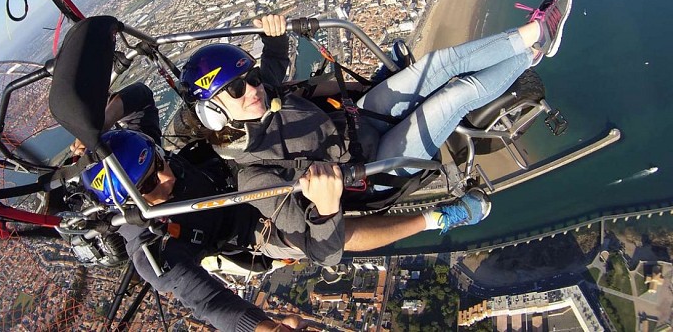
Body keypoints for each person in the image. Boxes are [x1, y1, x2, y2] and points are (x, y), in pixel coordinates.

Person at [80, 83, 492, 332]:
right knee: (330, 236)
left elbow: (139, 98)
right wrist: (266, 327)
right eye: (151, 184)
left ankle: (375, 99)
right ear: (128, 202)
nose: (166, 175)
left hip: (243, 169)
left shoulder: (129, 156)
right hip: (253, 227)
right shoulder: (153, 252)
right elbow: (209, 303)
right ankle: (440, 216)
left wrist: (101, 121)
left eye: (159, 161)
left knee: (291, 99)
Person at [180, 0, 573, 232]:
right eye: (237, 89)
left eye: (249, 78)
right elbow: (317, 243)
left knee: (439, 63)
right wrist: (326, 207)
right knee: (456, 95)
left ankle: (536, 33)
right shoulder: (254, 178)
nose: (253, 89)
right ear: (213, 112)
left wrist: (273, 33)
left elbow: (273, 64)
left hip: (358, 119)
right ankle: (533, 50)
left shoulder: (259, 95)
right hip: (374, 170)